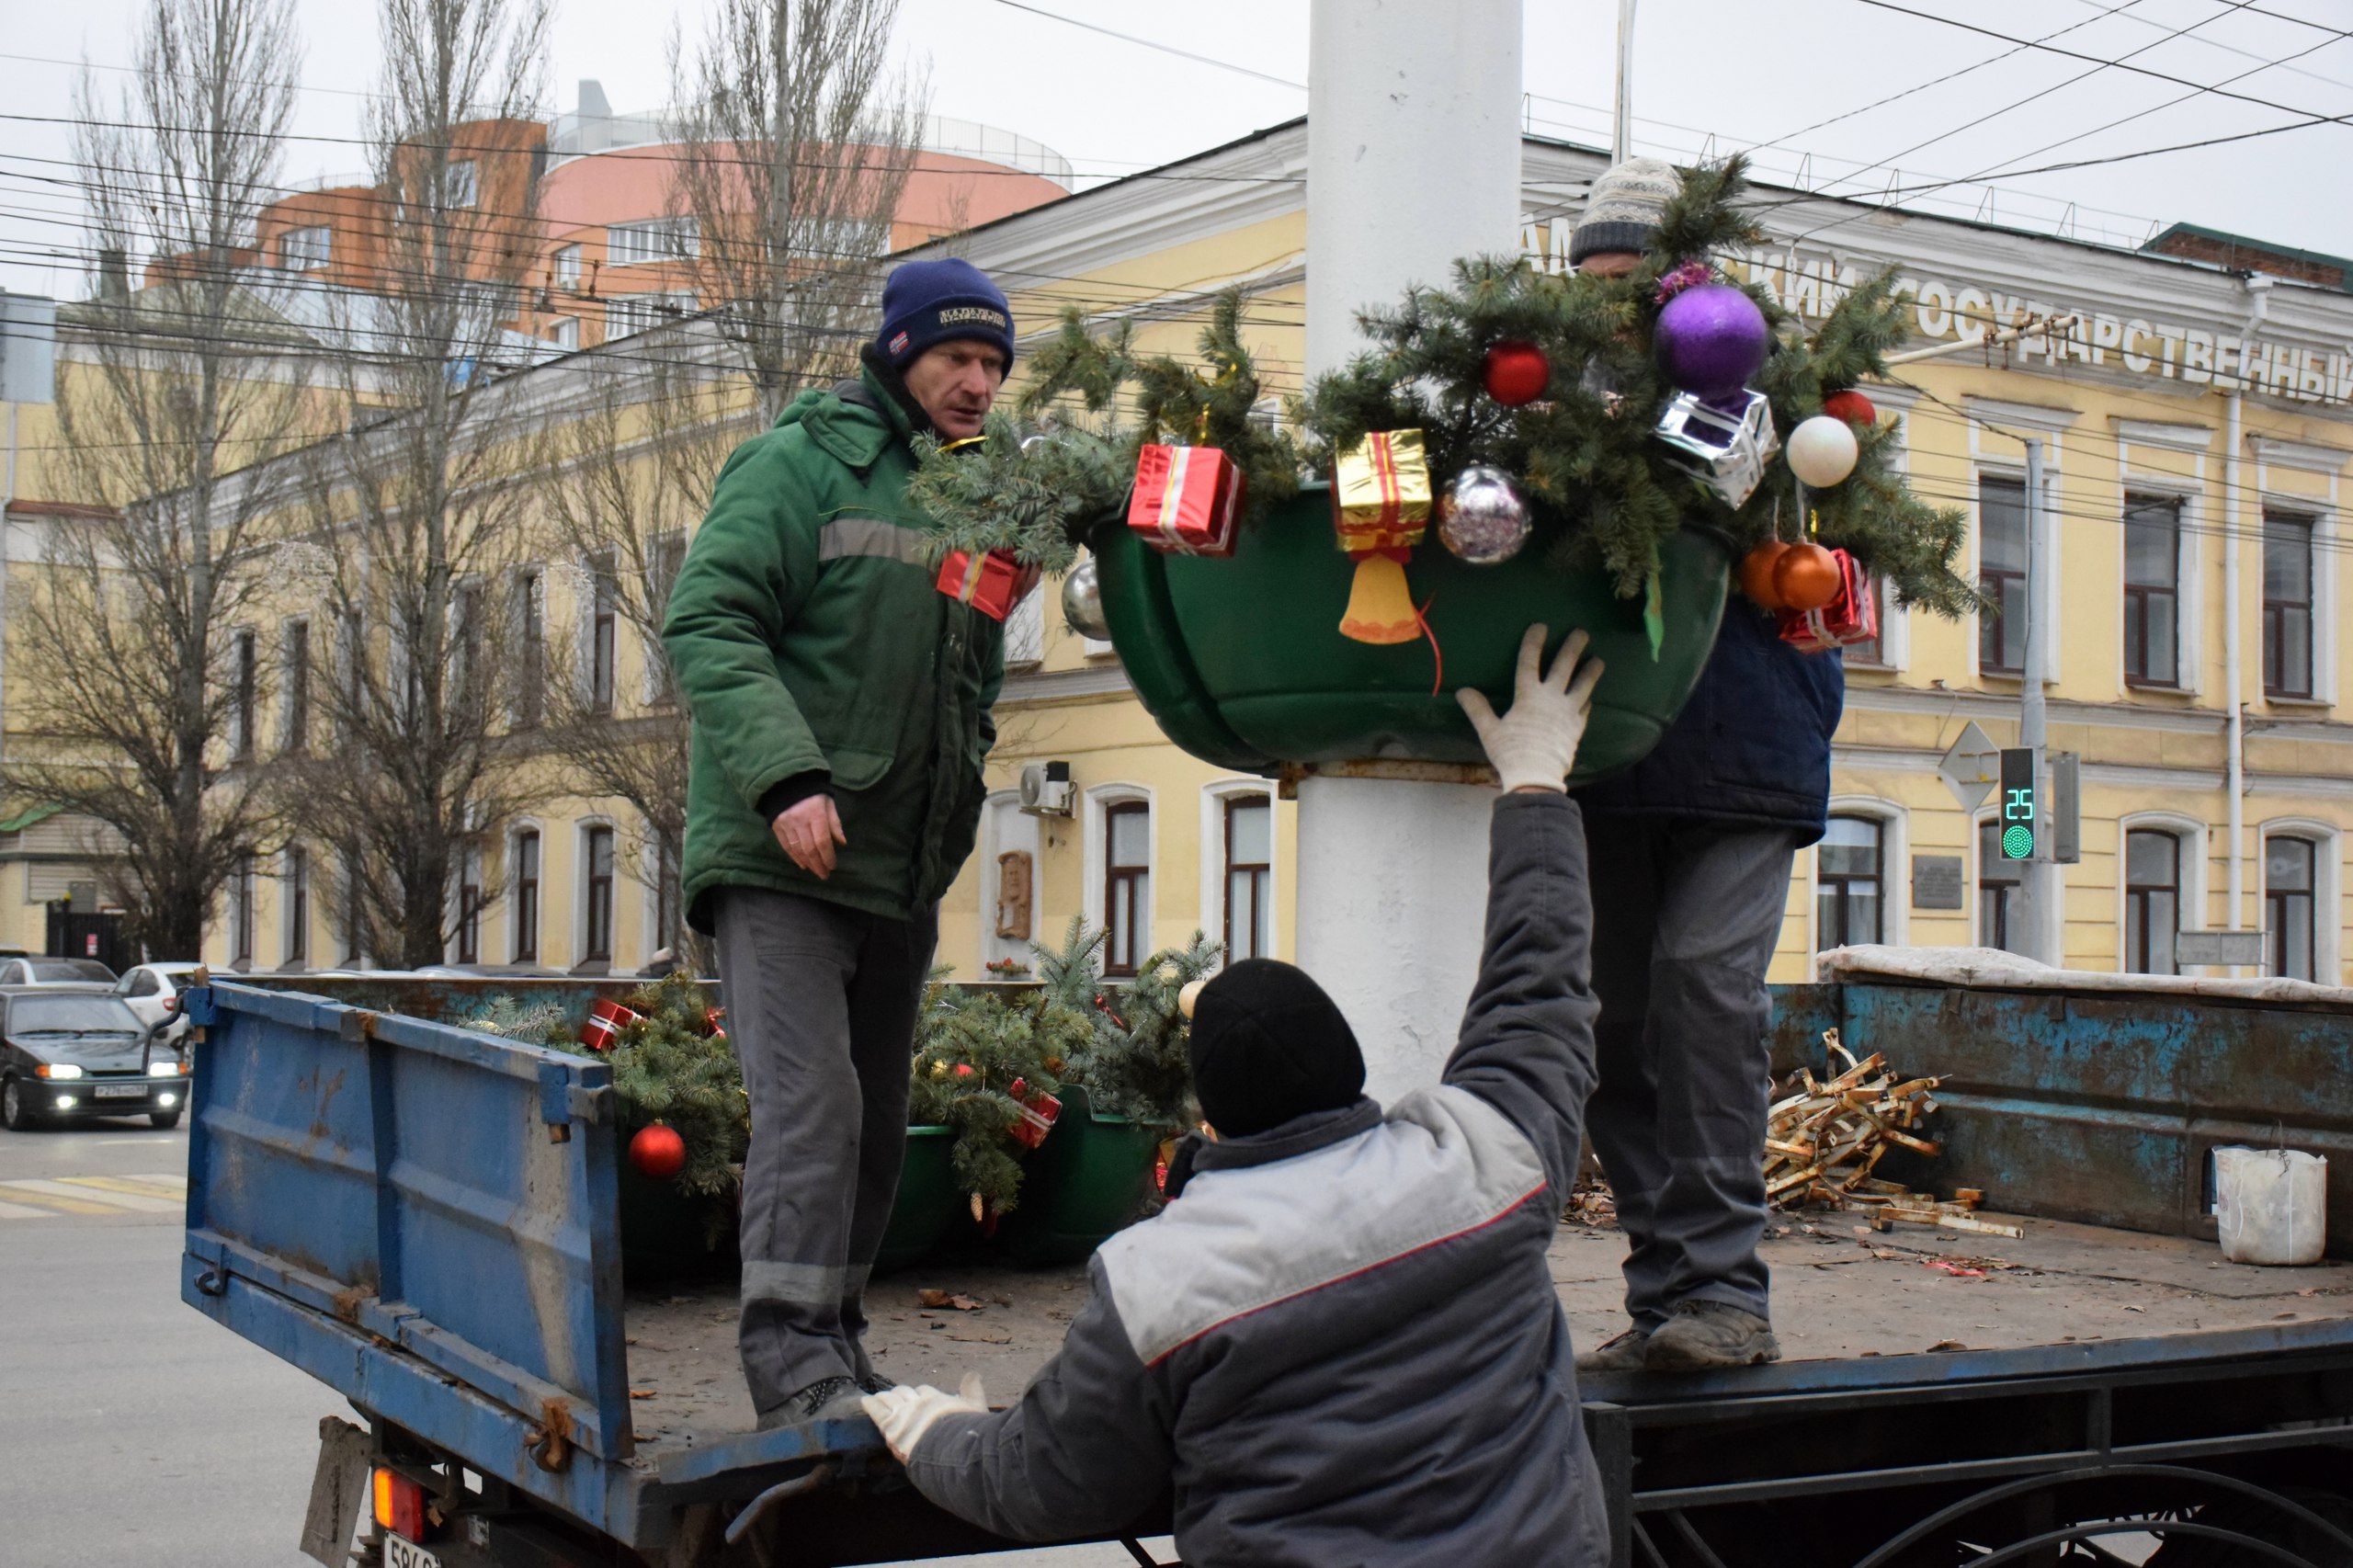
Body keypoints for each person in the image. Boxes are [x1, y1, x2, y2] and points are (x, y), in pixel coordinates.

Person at [864, 625, 1615, 1567]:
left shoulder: (1158, 1282)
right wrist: (1537, 783)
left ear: (1210, 1119)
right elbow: (1538, 985)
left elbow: (1043, 1483)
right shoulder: (1485, 1162)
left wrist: (936, 1435)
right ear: (1352, 1070)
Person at [663, 256, 1026, 1429]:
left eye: (993, 364)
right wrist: (788, 778)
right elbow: (708, 618)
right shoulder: (799, 463)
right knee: (812, 1103)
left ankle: (837, 1337)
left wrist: (952, 798)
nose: (977, 383)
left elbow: (968, 680)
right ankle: (790, 1363)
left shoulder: (974, 496)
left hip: (894, 865)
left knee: (870, 1120)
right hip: (781, 854)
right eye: (956, 357)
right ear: (899, 352)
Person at [1567, 160, 1845, 1372]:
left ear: (1688, 287)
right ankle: (1664, 1294)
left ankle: (1728, 1292)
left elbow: (1828, 547)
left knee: (1703, 991)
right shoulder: (1558, 417)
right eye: (1590, 282)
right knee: (1614, 1021)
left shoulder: (1767, 401)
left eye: (1630, 280)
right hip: (1610, 749)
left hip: (1746, 749)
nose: (1610, 306)